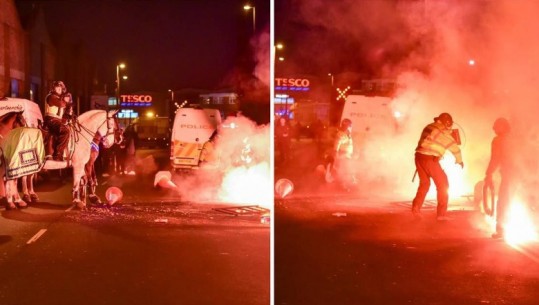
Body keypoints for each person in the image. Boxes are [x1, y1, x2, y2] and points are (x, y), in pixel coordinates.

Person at [412, 112, 463, 221]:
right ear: (447, 122)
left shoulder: (429, 126)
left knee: (424, 184)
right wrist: (459, 161)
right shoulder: (443, 132)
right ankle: (441, 215)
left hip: (419, 157)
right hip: (430, 160)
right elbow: (454, 148)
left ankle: (416, 208)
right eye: (449, 124)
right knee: (443, 185)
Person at [484, 117, 515, 239]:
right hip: (522, 174)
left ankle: (501, 230)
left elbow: (495, 158)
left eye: (496, 126)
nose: (493, 128)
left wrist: (489, 173)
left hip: (509, 174)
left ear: (502, 127)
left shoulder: (498, 140)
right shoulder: (517, 139)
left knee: (504, 201)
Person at [44, 81, 70, 161]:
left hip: (57, 120)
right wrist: (66, 101)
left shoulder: (59, 98)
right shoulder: (51, 97)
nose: (59, 89)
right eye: (57, 87)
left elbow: (63, 111)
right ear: (53, 88)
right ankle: (57, 153)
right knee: (65, 131)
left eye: (61, 88)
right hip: (51, 120)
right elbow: (62, 104)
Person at [329, 118, 356, 189]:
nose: (351, 127)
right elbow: (336, 146)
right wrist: (336, 156)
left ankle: (348, 185)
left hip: (347, 155)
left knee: (347, 171)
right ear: (347, 126)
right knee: (345, 171)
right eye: (350, 126)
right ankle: (343, 185)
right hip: (343, 156)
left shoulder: (347, 135)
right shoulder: (341, 135)